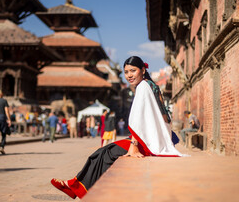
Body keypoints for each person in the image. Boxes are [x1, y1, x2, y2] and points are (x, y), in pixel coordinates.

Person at [51, 56, 183, 199]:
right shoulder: (151, 85)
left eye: (133, 71)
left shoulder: (143, 87)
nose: (129, 75)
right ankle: (75, 186)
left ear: (143, 70)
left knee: (105, 153)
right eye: (126, 72)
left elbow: (138, 119)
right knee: (103, 152)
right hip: (156, 139)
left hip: (148, 142)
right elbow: (164, 116)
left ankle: (80, 188)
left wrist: (134, 145)